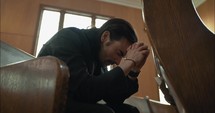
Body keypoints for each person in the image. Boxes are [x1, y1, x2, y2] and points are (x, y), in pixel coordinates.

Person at [38, 18, 150, 113]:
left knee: (130, 111)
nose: (118, 62)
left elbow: (112, 98)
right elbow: (83, 90)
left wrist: (134, 71)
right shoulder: (68, 37)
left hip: (70, 100)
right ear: (105, 37)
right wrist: (129, 62)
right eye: (119, 54)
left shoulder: (98, 58)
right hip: (43, 100)